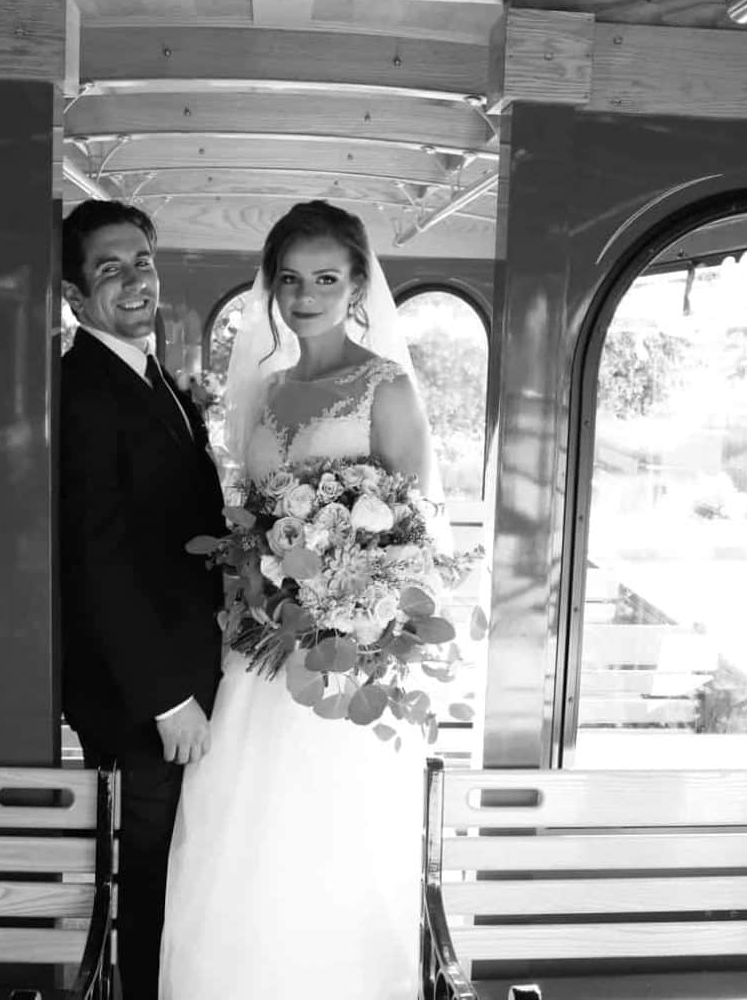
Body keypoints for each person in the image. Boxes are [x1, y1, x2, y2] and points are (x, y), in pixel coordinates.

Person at [160, 201, 438, 998]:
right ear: (272, 289)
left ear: (357, 287)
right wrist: (253, 574)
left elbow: (416, 538)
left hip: (335, 662)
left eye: (325, 278)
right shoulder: (269, 388)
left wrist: (350, 606)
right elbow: (246, 515)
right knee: (240, 840)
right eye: (290, 279)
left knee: (328, 846)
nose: (305, 294)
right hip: (254, 654)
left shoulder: (385, 388)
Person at [57, 200, 224, 1000]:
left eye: (142, 262)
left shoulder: (150, 374)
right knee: (145, 884)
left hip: (188, 676)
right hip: (142, 702)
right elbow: (98, 561)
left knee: (182, 872)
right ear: (73, 292)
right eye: (109, 268)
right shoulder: (83, 391)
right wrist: (166, 700)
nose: (133, 281)